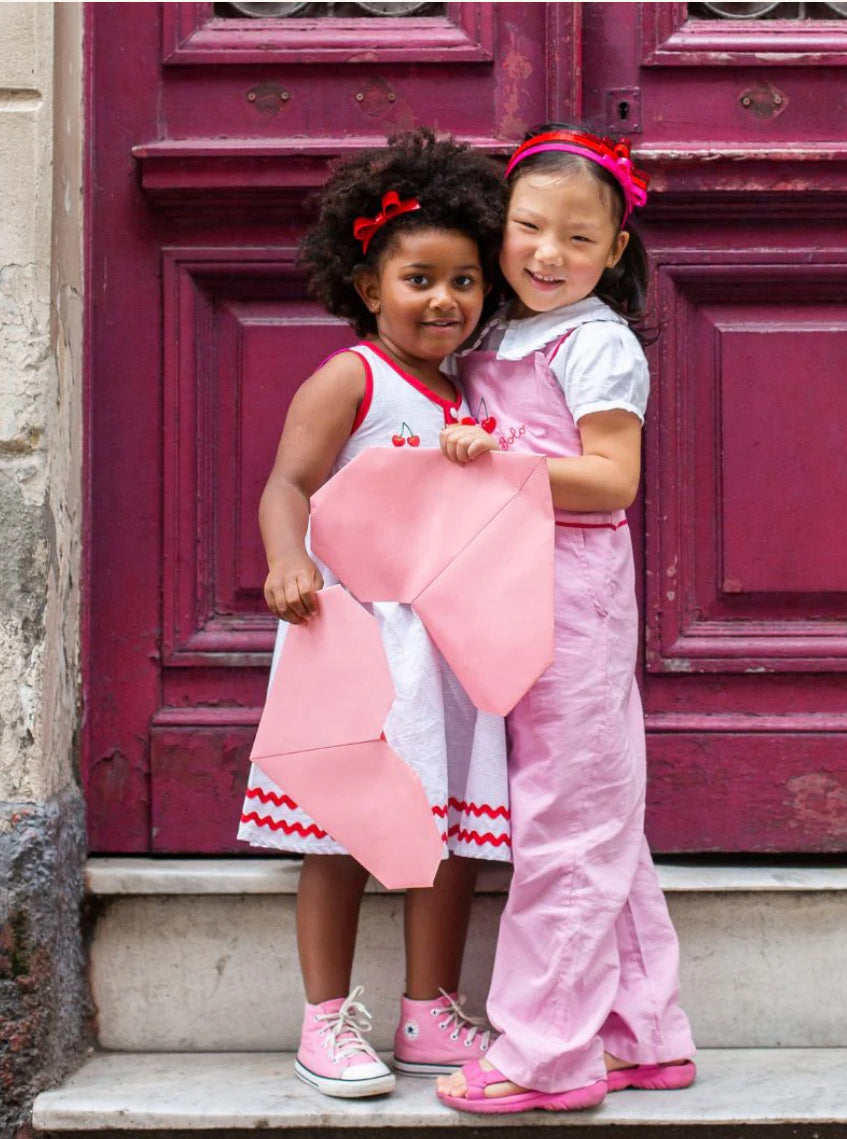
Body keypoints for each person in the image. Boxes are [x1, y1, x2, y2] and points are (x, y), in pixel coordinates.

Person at [236, 129, 510, 1098]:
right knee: (348, 829)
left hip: (446, 641)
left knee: (445, 835)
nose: (444, 300)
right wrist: (283, 561)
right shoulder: (353, 377)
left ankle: (429, 1008)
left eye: (466, 281)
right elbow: (288, 483)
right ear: (367, 286)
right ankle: (326, 1018)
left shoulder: (475, 389)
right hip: (352, 630)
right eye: (419, 279)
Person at [435, 126, 696, 1115]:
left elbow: (609, 477)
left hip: (571, 590)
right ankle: (643, 1033)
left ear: (614, 251)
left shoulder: (597, 343)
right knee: (598, 815)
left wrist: (493, 462)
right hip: (507, 582)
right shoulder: (495, 338)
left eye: (577, 239)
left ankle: (546, 1053)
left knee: (568, 820)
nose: (547, 255)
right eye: (528, 229)